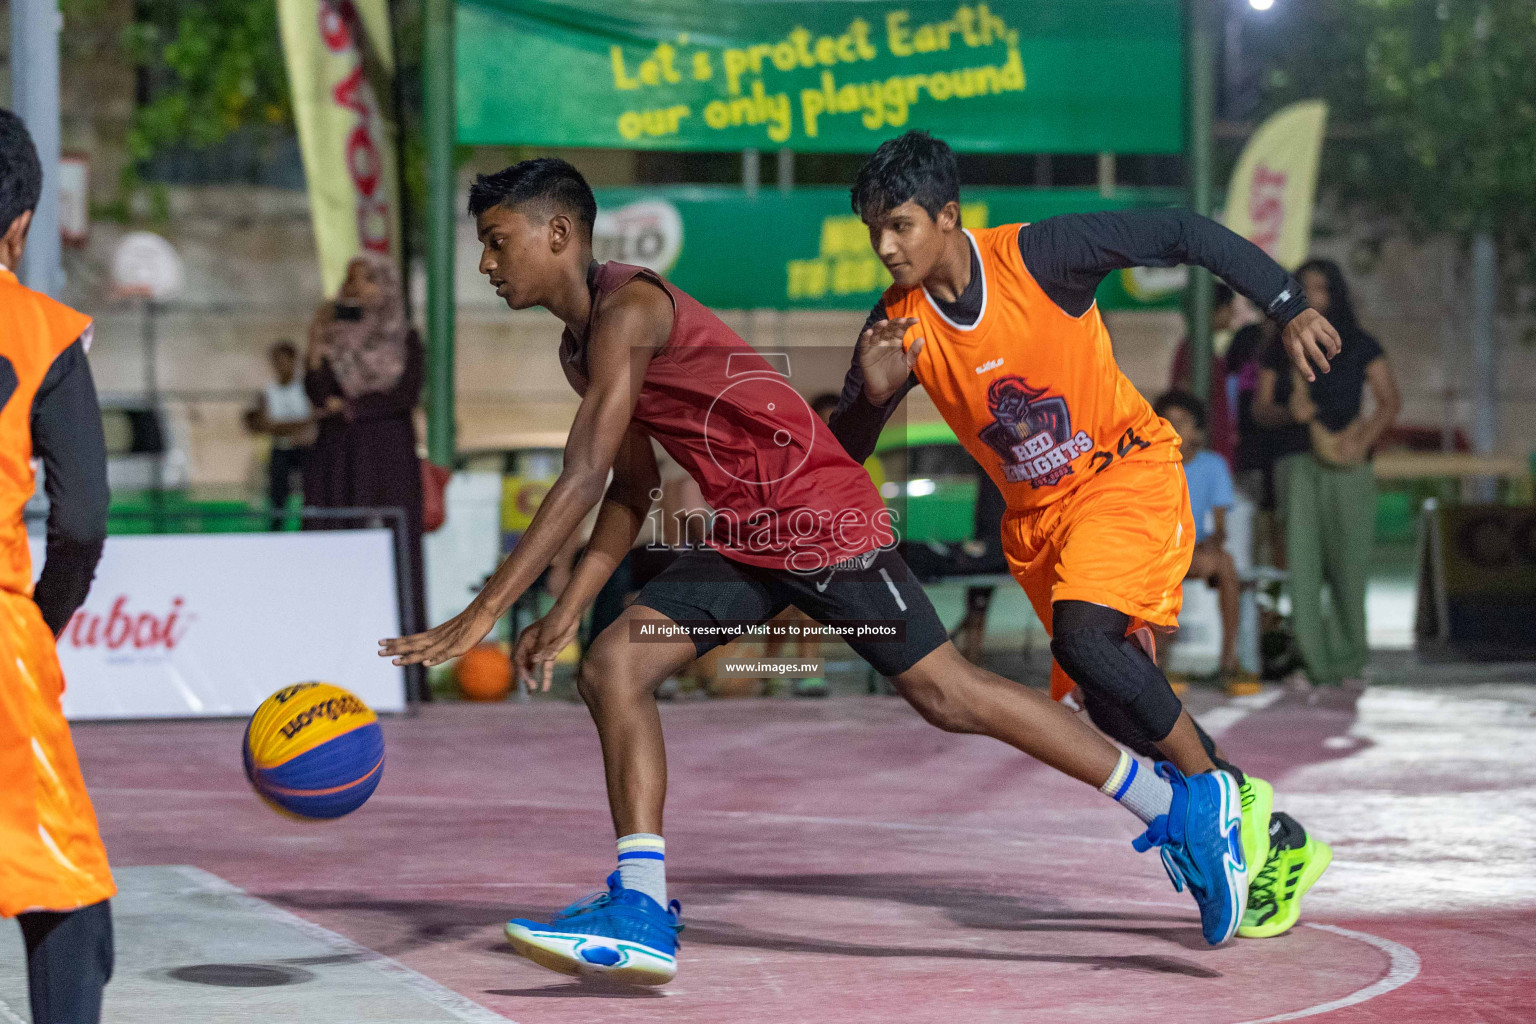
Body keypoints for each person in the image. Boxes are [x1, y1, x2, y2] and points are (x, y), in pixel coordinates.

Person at [380, 158, 1252, 985]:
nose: (488, 263)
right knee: (613, 666)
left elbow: (581, 472)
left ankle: (1174, 805)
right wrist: (568, 606)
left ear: (560, 232)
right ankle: (640, 909)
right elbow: (631, 484)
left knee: (946, 694)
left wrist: (486, 608)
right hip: (752, 528)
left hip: (811, 512)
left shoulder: (629, 311)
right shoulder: (582, 347)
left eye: (499, 240)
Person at [826, 131, 1339, 940]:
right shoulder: (897, 324)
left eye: (900, 226)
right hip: (1039, 523)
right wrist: (866, 402)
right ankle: (1270, 837)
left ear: (949, 216)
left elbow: (1180, 230)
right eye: (873, 231)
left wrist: (1286, 304)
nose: (885, 247)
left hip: (1123, 475)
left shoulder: (1040, 257)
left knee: (1087, 640)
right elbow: (843, 452)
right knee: (1108, 699)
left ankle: (1211, 800)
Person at [0, 108, 116, 1024]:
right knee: (64, 882)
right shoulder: (40, 331)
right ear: (21, 225)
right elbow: (80, 518)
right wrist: (41, 618)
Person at [1253, 258, 1401, 696]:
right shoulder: (1279, 345)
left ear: (1336, 293)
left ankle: (1350, 659)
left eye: (1321, 288)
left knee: (1349, 564)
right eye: (1306, 288)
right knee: (1301, 566)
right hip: (1295, 459)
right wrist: (1287, 412)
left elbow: (1389, 399)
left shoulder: (1359, 343)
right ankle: (1313, 664)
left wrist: (1364, 439)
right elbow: (1260, 408)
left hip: (1349, 461)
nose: (1314, 296)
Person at [304, 255, 426, 634]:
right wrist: (315, 340)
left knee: (393, 556)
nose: (354, 289)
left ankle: (402, 660)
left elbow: (404, 395)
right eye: (350, 280)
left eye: (366, 281)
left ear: (386, 287)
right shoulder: (334, 337)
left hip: (387, 461)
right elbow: (318, 394)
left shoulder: (405, 339)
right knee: (335, 550)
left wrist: (353, 407)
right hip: (338, 461)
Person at [1153, 390, 1257, 694]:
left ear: (1197, 430)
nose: (1173, 427)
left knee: (1225, 563)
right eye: (1167, 421)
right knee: (1158, 573)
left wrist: (1210, 543)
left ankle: (1228, 659)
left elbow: (1220, 527)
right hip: (1156, 552)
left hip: (1192, 552)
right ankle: (1157, 662)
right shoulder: (1151, 464)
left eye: (1182, 422)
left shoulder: (1213, 466)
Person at [1168, 283, 1240, 464]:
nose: (1232, 314)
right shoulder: (1193, 350)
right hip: (1205, 446)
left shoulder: (1201, 349)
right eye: (1229, 308)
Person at [247, 340, 314, 529]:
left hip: (303, 449)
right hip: (281, 448)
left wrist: (283, 426)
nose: (281, 366)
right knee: (277, 493)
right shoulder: (269, 391)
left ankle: (309, 525)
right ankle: (277, 527)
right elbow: (267, 424)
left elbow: (311, 419)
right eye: (277, 361)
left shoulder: (304, 387)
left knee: (309, 489)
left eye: (285, 360)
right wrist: (296, 425)